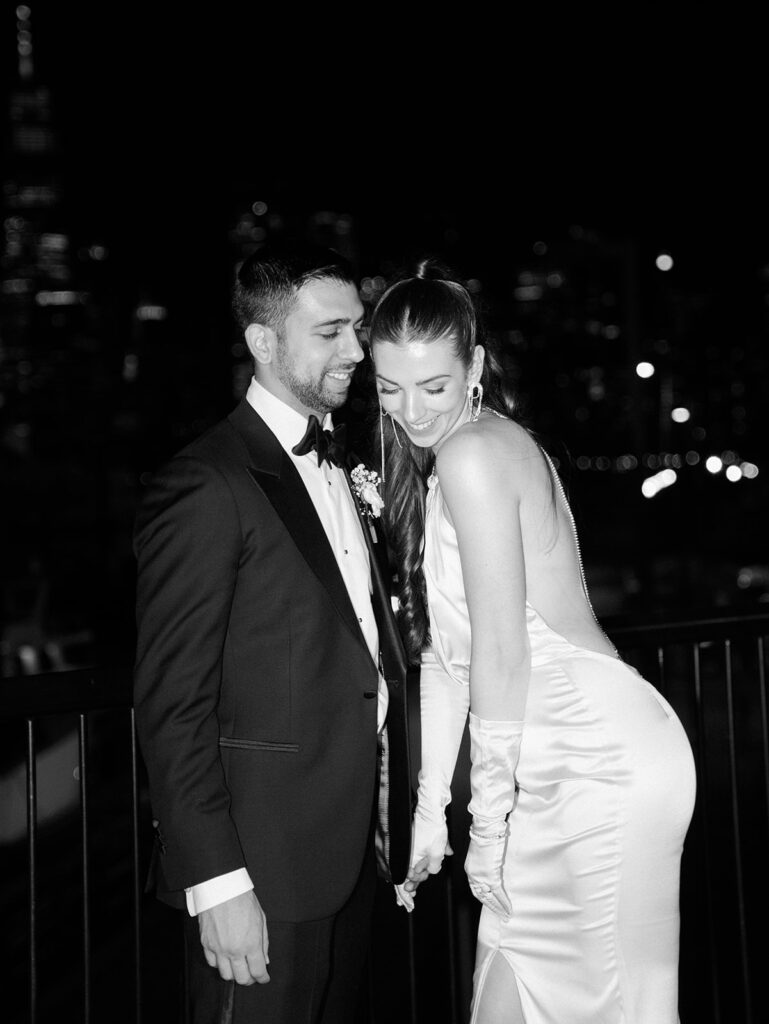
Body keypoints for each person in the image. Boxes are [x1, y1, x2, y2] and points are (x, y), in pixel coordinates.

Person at [368, 258, 697, 1024]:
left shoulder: (473, 453)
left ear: (475, 366)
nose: (411, 411)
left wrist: (486, 825)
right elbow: (447, 659)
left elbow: (503, 657)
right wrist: (428, 816)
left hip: (595, 770)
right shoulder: (464, 454)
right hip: (545, 772)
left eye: (433, 386)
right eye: (390, 389)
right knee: (507, 1000)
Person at [133, 243, 413, 1023]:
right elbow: (171, 703)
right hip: (259, 874)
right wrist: (217, 882)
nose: (356, 350)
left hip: (352, 852)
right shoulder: (206, 483)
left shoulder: (340, 464)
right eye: (330, 332)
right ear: (264, 342)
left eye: (357, 329)